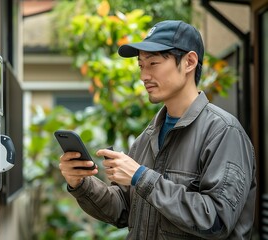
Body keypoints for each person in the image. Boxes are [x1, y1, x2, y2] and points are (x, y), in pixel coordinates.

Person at [58, 20, 256, 239]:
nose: (144, 76)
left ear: (189, 62)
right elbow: (122, 210)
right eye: (141, 66)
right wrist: (81, 183)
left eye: (153, 63)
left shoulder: (223, 132)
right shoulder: (148, 136)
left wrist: (141, 177)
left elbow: (217, 219)